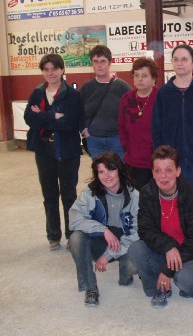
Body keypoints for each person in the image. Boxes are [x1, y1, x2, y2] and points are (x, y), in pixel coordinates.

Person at [128, 145, 193, 308]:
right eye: (158, 171)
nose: (163, 176)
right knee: (136, 249)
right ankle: (158, 288)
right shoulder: (147, 192)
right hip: (164, 250)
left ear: (178, 171)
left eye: (168, 170)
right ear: (152, 173)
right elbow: (145, 229)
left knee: (185, 282)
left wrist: (167, 270)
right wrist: (168, 247)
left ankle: (192, 276)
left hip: (190, 252)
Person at [24, 53, 83, 251]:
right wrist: (52, 116)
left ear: (62, 70)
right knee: (49, 195)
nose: (50, 73)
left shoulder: (72, 95)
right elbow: (28, 119)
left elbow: (69, 123)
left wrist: (42, 116)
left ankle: (72, 235)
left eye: (54, 69)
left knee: (68, 194)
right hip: (43, 149)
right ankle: (53, 236)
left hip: (67, 149)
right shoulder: (37, 93)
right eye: (46, 69)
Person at [68, 151, 139, 306]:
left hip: (124, 242)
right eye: (101, 172)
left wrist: (107, 255)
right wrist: (102, 230)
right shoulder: (90, 193)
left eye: (111, 170)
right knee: (76, 238)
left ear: (119, 170)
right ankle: (90, 288)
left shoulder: (134, 197)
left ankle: (125, 270)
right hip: (101, 239)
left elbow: (137, 233)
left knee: (132, 266)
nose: (107, 176)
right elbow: (74, 218)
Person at [152, 44, 193, 194]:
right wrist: (161, 156)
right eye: (176, 59)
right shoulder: (164, 92)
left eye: (184, 59)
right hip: (172, 161)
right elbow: (157, 126)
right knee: (177, 202)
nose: (179, 63)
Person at [80, 45, 132, 159]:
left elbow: (132, 112)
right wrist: (84, 131)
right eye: (96, 61)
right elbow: (77, 112)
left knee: (120, 173)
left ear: (109, 63)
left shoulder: (122, 87)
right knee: (100, 174)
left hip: (117, 140)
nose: (99, 65)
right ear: (92, 64)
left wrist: (126, 135)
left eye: (103, 61)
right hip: (94, 141)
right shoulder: (86, 88)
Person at [118, 57, 158, 190]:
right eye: (136, 75)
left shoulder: (160, 97)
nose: (140, 79)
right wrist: (126, 148)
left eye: (145, 75)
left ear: (153, 79)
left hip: (156, 161)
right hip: (133, 161)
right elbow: (122, 126)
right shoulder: (127, 98)